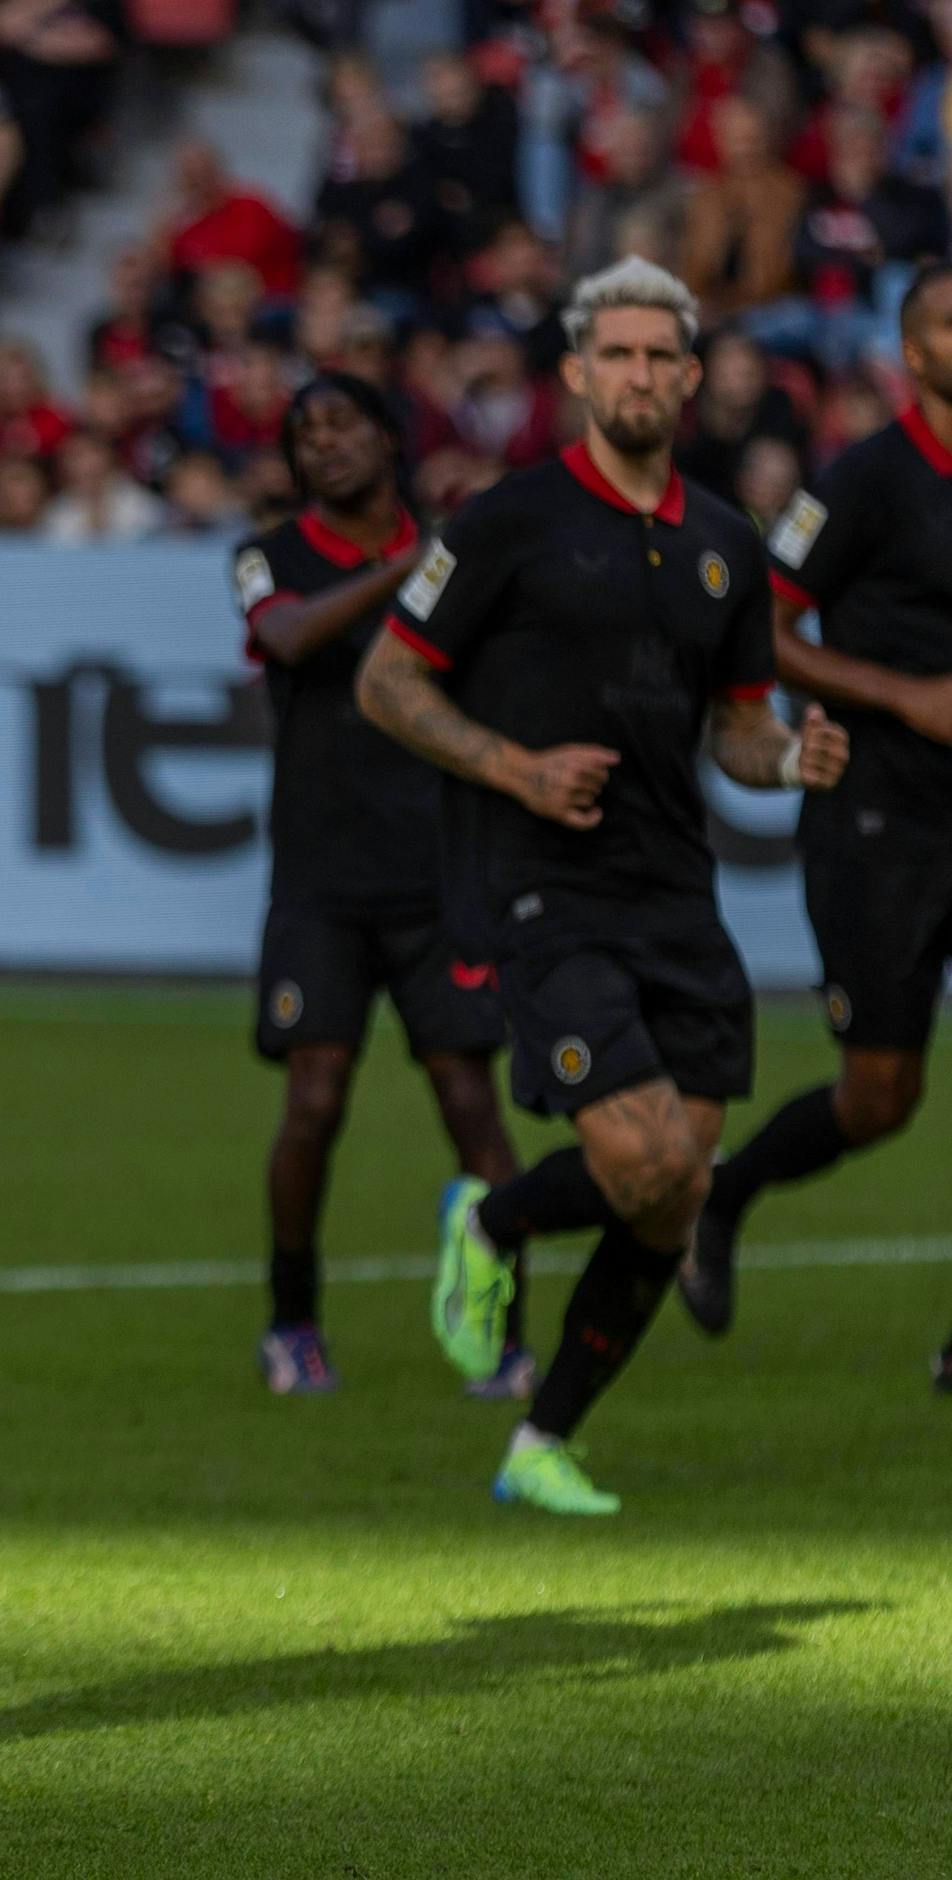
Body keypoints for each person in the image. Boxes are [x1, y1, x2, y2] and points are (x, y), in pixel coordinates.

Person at [356, 257, 849, 1514]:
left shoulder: (724, 543)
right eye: (614, 354)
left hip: (673, 891)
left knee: (677, 1184)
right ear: (576, 373)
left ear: (689, 378)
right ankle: (490, 1225)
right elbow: (388, 683)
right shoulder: (505, 519)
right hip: (539, 883)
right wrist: (514, 767)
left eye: (658, 356)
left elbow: (735, 729)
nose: (636, 374)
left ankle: (538, 1437)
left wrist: (791, 754)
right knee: (638, 1164)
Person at [679, 262, 952, 1384]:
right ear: (910, 347)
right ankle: (724, 1191)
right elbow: (763, 625)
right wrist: (901, 696)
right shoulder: (862, 482)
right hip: (879, 816)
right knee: (879, 1094)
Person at [232, 373, 521, 1398]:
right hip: (319, 883)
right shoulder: (270, 557)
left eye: (344, 423)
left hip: (437, 875)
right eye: (305, 432)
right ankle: (290, 1320)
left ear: (388, 439)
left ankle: (499, 1330)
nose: (325, 444)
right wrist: (409, 565)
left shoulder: (461, 553)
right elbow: (285, 636)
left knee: (468, 1104)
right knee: (312, 1102)